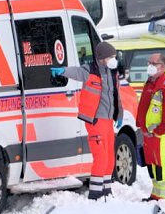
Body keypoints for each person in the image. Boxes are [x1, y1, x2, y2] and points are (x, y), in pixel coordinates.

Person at [51, 41, 122, 200]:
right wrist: (63, 71)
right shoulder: (90, 70)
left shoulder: (113, 73)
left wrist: (120, 114)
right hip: (96, 120)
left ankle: (106, 190)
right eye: (111, 56)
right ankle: (95, 193)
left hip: (109, 120)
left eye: (114, 56)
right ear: (102, 58)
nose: (113, 59)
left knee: (110, 156)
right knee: (101, 156)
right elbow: (76, 72)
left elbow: (117, 96)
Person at [135, 52, 165, 201]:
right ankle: (155, 194)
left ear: (162, 66)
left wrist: (160, 131)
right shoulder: (152, 80)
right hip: (149, 132)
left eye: (153, 63)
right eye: (148, 63)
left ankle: (162, 197)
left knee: (161, 164)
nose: (149, 66)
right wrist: (140, 125)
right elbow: (144, 105)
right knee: (152, 164)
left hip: (159, 133)